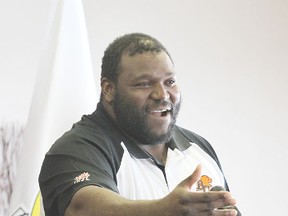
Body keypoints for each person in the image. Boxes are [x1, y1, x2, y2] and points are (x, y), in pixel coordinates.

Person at [39, 32, 241, 216]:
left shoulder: (199, 150)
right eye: (144, 84)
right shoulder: (76, 149)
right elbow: (82, 208)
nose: (162, 95)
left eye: (169, 82)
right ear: (109, 89)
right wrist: (162, 211)